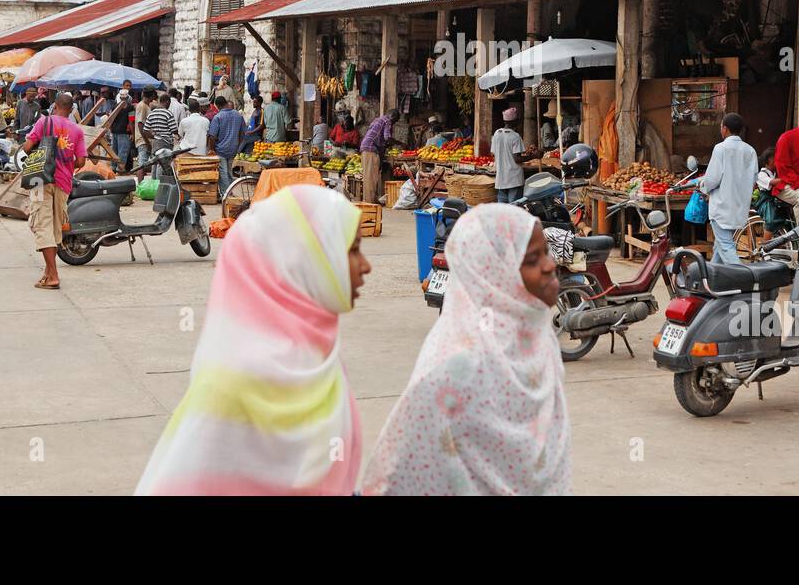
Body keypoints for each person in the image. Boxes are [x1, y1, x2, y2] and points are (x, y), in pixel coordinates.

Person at [136, 185, 371, 495]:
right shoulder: (232, 386)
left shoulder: (317, 360)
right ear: (302, 260)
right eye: (352, 250)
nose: (366, 266)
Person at [363, 203, 569, 495]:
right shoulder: (453, 367)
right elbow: (400, 472)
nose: (549, 266)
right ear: (493, 274)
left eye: (546, 252)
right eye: (532, 259)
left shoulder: (539, 340)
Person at [25, 93, 88, 290]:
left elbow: (27, 147)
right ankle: (47, 272)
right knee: (54, 228)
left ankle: (53, 275)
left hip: (38, 180)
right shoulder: (77, 130)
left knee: (41, 224)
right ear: (71, 109)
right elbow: (81, 162)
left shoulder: (44, 122)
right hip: (63, 182)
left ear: (55, 105)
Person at [700, 113, 759, 265]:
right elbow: (753, 179)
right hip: (739, 208)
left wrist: (702, 187)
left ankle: (743, 279)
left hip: (721, 208)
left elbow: (712, 179)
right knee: (720, 246)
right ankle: (713, 280)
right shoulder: (750, 151)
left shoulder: (721, 149)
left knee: (726, 247)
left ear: (724, 129)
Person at [491, 105, 534, 203]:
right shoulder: (515, 136)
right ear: (515, 121)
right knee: (514, 206)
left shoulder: (497, 134)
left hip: (501, 177)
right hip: (514, 179)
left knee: (502, 208)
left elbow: (494, 153)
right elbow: (517, 159)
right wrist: (533, 156)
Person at [207, 96, 244, 198]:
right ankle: (229, 192)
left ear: (218, 106)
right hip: (233, 149)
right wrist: (238, 147)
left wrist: (212, 149)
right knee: (228, 172)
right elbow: (242, 134)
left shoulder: (218, 117)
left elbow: (212, 136)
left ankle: (226, 194)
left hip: (221, 150)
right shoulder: (238, 116)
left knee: (223, 173)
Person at [360, 108, 398, 203]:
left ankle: (370, 200)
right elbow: (387, 138)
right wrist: (400, 143)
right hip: (371, 149)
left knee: (368, 177)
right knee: (371, 178)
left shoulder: (378, 119)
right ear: (393, 117)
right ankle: (370, 202)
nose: (393, 123)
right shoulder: (387, 121)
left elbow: (381, 139)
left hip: (365, 148)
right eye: (395, 121)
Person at [134, 88, 157, 176]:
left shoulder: (146, 106)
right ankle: (140, 186)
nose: (153, 99)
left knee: (145, 164)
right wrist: (147, 141)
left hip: (146, 139)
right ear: (151, 96)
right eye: (153, 97)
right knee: (142, 165)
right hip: (143, 140)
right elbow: (140, 125)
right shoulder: (142, 106)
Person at [109, 87, 133, 173]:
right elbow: (131, 121)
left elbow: (111, 119)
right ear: (127, 97)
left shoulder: (114, 106)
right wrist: (133, 133)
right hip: (124, 132)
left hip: (114, 131)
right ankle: (120, 169)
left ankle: (113, 168)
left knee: (114, 151)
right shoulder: (130, 108)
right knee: (122, 152)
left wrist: (111, 129)